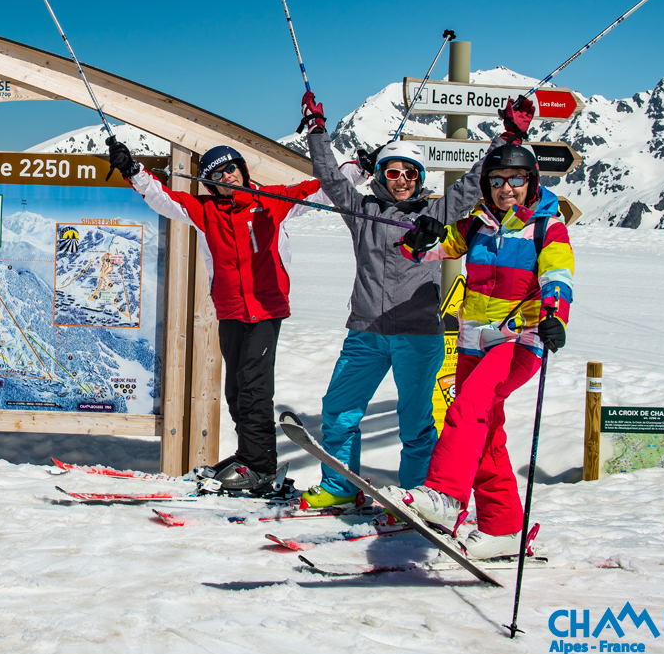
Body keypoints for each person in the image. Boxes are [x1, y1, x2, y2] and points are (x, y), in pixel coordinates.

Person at [295, 90, 514, 509]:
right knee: (339, 412)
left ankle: (417, 496)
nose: (401, 181)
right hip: (366, 333)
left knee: (415, 423)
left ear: (420, 179)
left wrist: (505, 139)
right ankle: (341, 488)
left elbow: (472, 184)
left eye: (410, 174)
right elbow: (329, 178)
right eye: (392, 173)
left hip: (417, 333)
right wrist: (317, 132)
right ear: (380, 175)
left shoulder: (435, 215)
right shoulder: (361, 211)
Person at [106, 133, 337, 495]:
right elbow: (163, 198)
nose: (227, 177)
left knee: (254, 387)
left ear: (242, 170)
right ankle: (248, 454)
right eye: (217, 174)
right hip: (230, 309)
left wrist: (360, 170)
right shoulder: (206, 210)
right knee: (235, 389)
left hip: (264, 308)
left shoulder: (270, 201)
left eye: (231, 169)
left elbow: (322, 190)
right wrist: (133, 171)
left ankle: (260, 467)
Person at [395, 107, 574, 560]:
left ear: (532, 182)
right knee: (487, 431)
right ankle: (503, 527)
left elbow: (558, 276)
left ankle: (445, 494)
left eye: (515, 179)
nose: (505, 188)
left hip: (520, 338)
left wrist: (554, 314)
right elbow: (429, 252)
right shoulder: (478, 223)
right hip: (475, 337)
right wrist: (420, 236)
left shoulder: (545, 226)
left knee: (469, 409)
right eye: (497, 180)